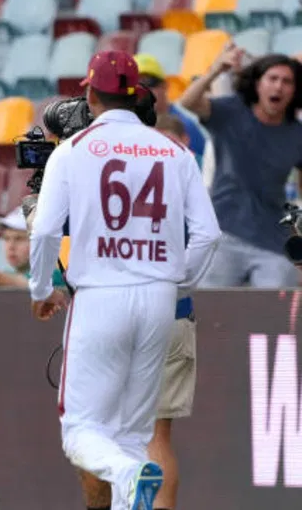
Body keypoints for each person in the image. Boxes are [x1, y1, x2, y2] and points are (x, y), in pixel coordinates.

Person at [28, 50, 220, 510]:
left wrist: (41, 289)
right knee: (134, 434)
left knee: (80, 431)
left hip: (100, 294)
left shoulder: (73, 150)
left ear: (90, 95)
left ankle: (128, 473)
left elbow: (45, 230)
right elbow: (209, 234)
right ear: (136, 95)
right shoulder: (174, 150)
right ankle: (131, 476)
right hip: (159, 298)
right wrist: (177, 284)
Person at [75, 112, 201, 510]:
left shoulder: (110, 179)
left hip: (109, 310)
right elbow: (209, 236)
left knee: (93, 427)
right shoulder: (185, 176)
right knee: (155, 435)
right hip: (168, 310)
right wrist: (179, 286)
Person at [178, 48, 302, 288]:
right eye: (272, 78)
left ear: (295, 90)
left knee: (275, 309)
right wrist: (216, 70)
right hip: (224, 232)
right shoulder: (231, 111)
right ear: (258, 84)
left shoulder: (297, 134)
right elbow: (188, 102)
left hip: (273, 241)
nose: (278, 87)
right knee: (213, 309)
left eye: (287, 81)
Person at [133, 55, 207, 167]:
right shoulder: (128, 124)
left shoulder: (186, 125)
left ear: (164, 86)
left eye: (148, 83)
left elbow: (202, 167)